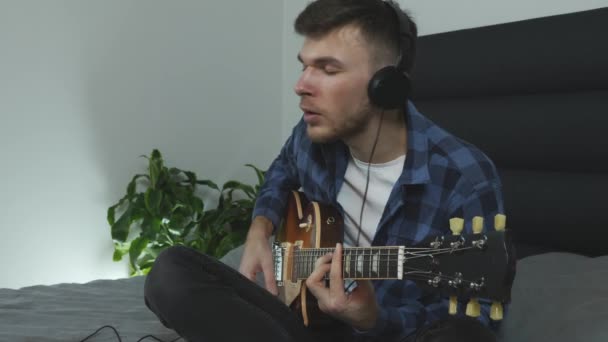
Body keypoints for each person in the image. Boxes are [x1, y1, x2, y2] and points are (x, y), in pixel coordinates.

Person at [144, 1, 505, 341]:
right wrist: (261, 226)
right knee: (170, 272)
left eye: (328, 69)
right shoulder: (310, 137)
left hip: (388, 332)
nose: (301, 85)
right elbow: (281, 170)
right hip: (303, 320)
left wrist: (373, 319)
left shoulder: (464, 175)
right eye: (305, 65)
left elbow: (480, 316)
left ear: (385, 86)